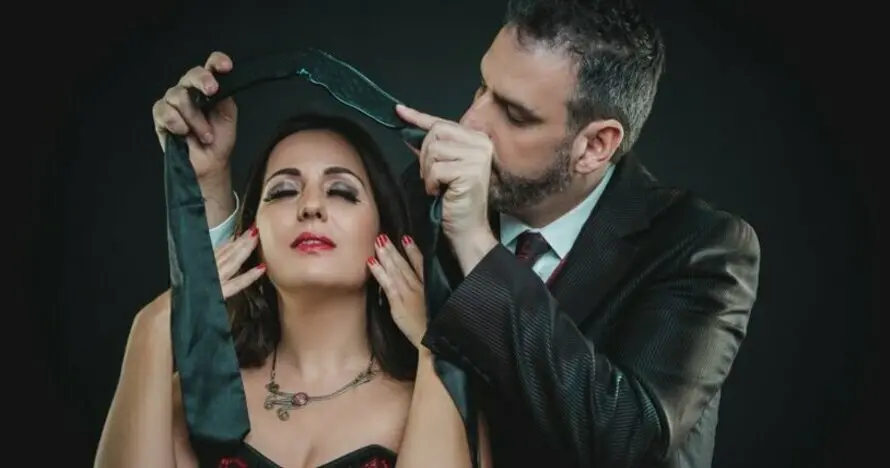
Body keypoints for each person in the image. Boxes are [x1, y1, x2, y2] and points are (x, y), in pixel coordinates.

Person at [185, 0, 761, 467]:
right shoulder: (423, 197)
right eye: (482, 88)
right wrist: (208, 182)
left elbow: (626, 440)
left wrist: (476, 246)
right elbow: (279, 314)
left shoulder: (701, 249)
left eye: (514, 115)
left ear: (595, 145)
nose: (470, 123)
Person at [94, 107, 492, 466]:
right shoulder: (196, 399)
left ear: (381, 230)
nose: (311, 206)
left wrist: (432, 347)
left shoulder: (440, 391)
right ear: (252, 233)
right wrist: (155, 323)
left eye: (342, 191)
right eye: (283, 191)